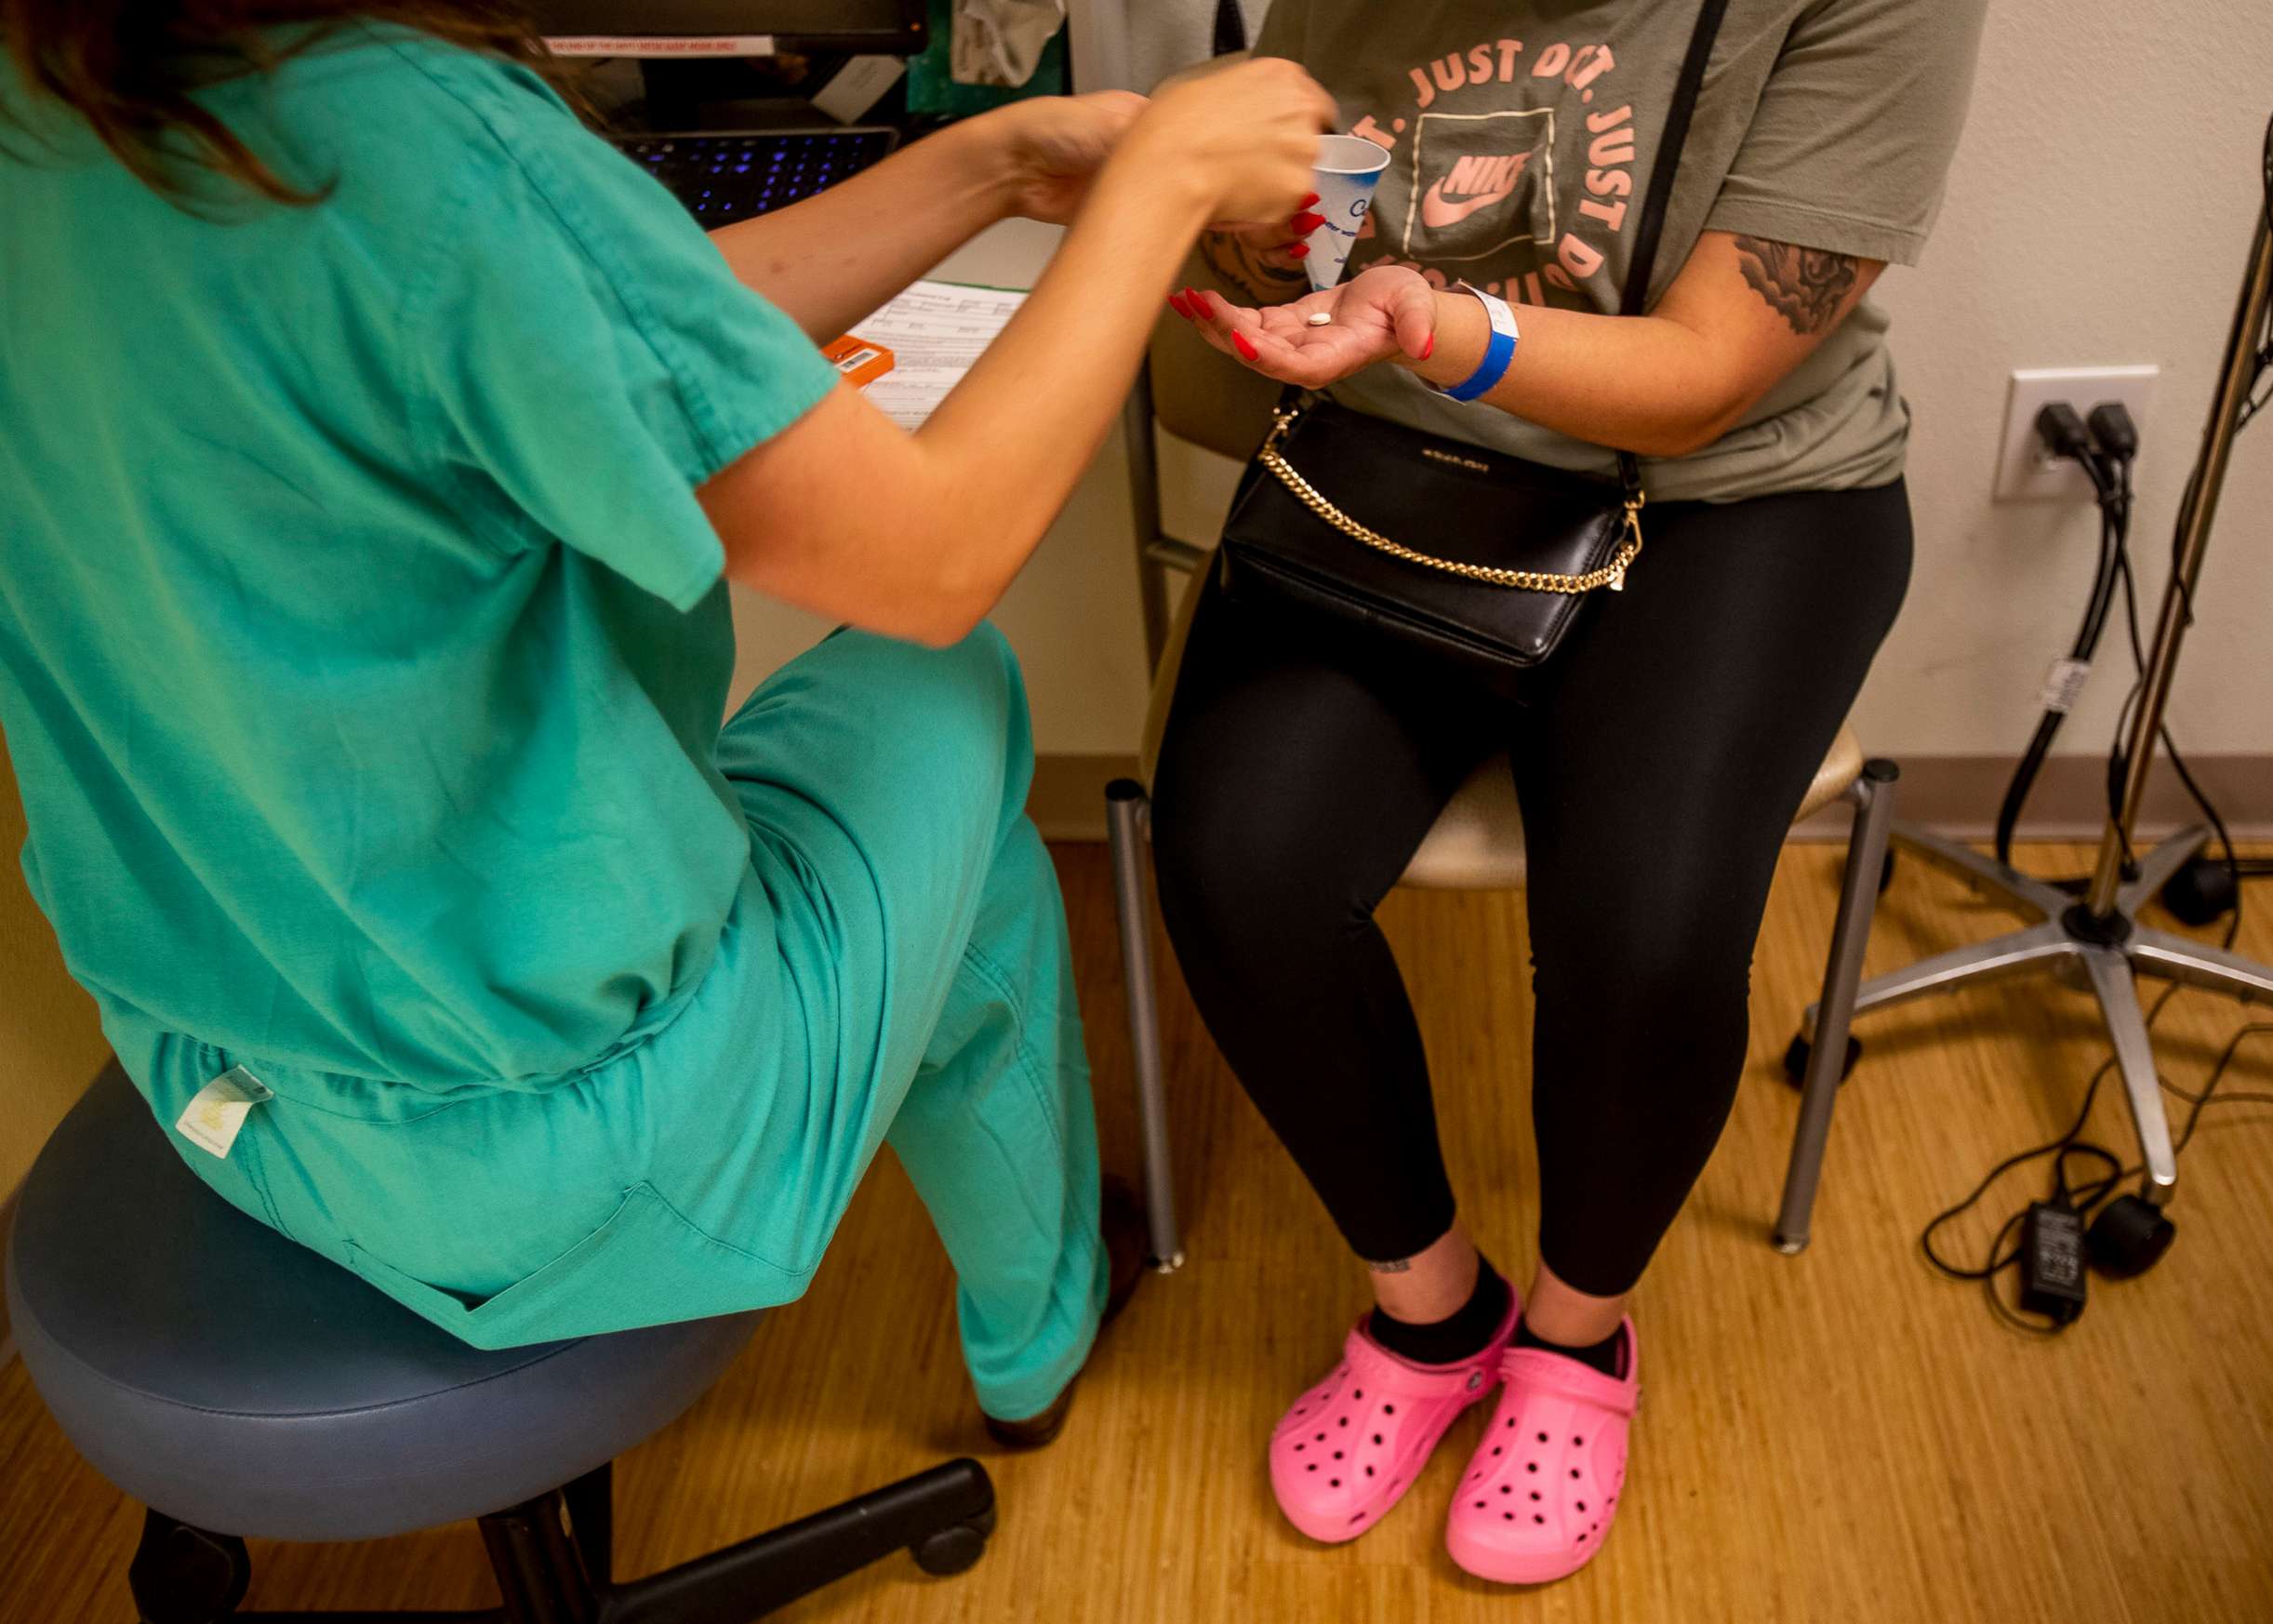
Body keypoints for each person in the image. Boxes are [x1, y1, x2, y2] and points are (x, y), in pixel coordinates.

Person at [0, 2, 1330, 1446]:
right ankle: (1034, 1337)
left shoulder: (65, 95)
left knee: (938, 858)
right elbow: (937, 561)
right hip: (545, 1153)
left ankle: (1039, 1311)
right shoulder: (407, 135)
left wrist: (995, 165)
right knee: (944, 691)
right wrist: (1168, 184)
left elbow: (586, 316)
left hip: (221, 1081)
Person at [1150, 0, 1985, 1582]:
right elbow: (1333, 185)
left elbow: (1703, 373)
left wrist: (1433, 325)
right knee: (1236, 857)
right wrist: (1266, 247)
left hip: (1734, 485)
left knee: (1649, 932)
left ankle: (1577, 1340)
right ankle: (1433, 1311)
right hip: (1403, 453)